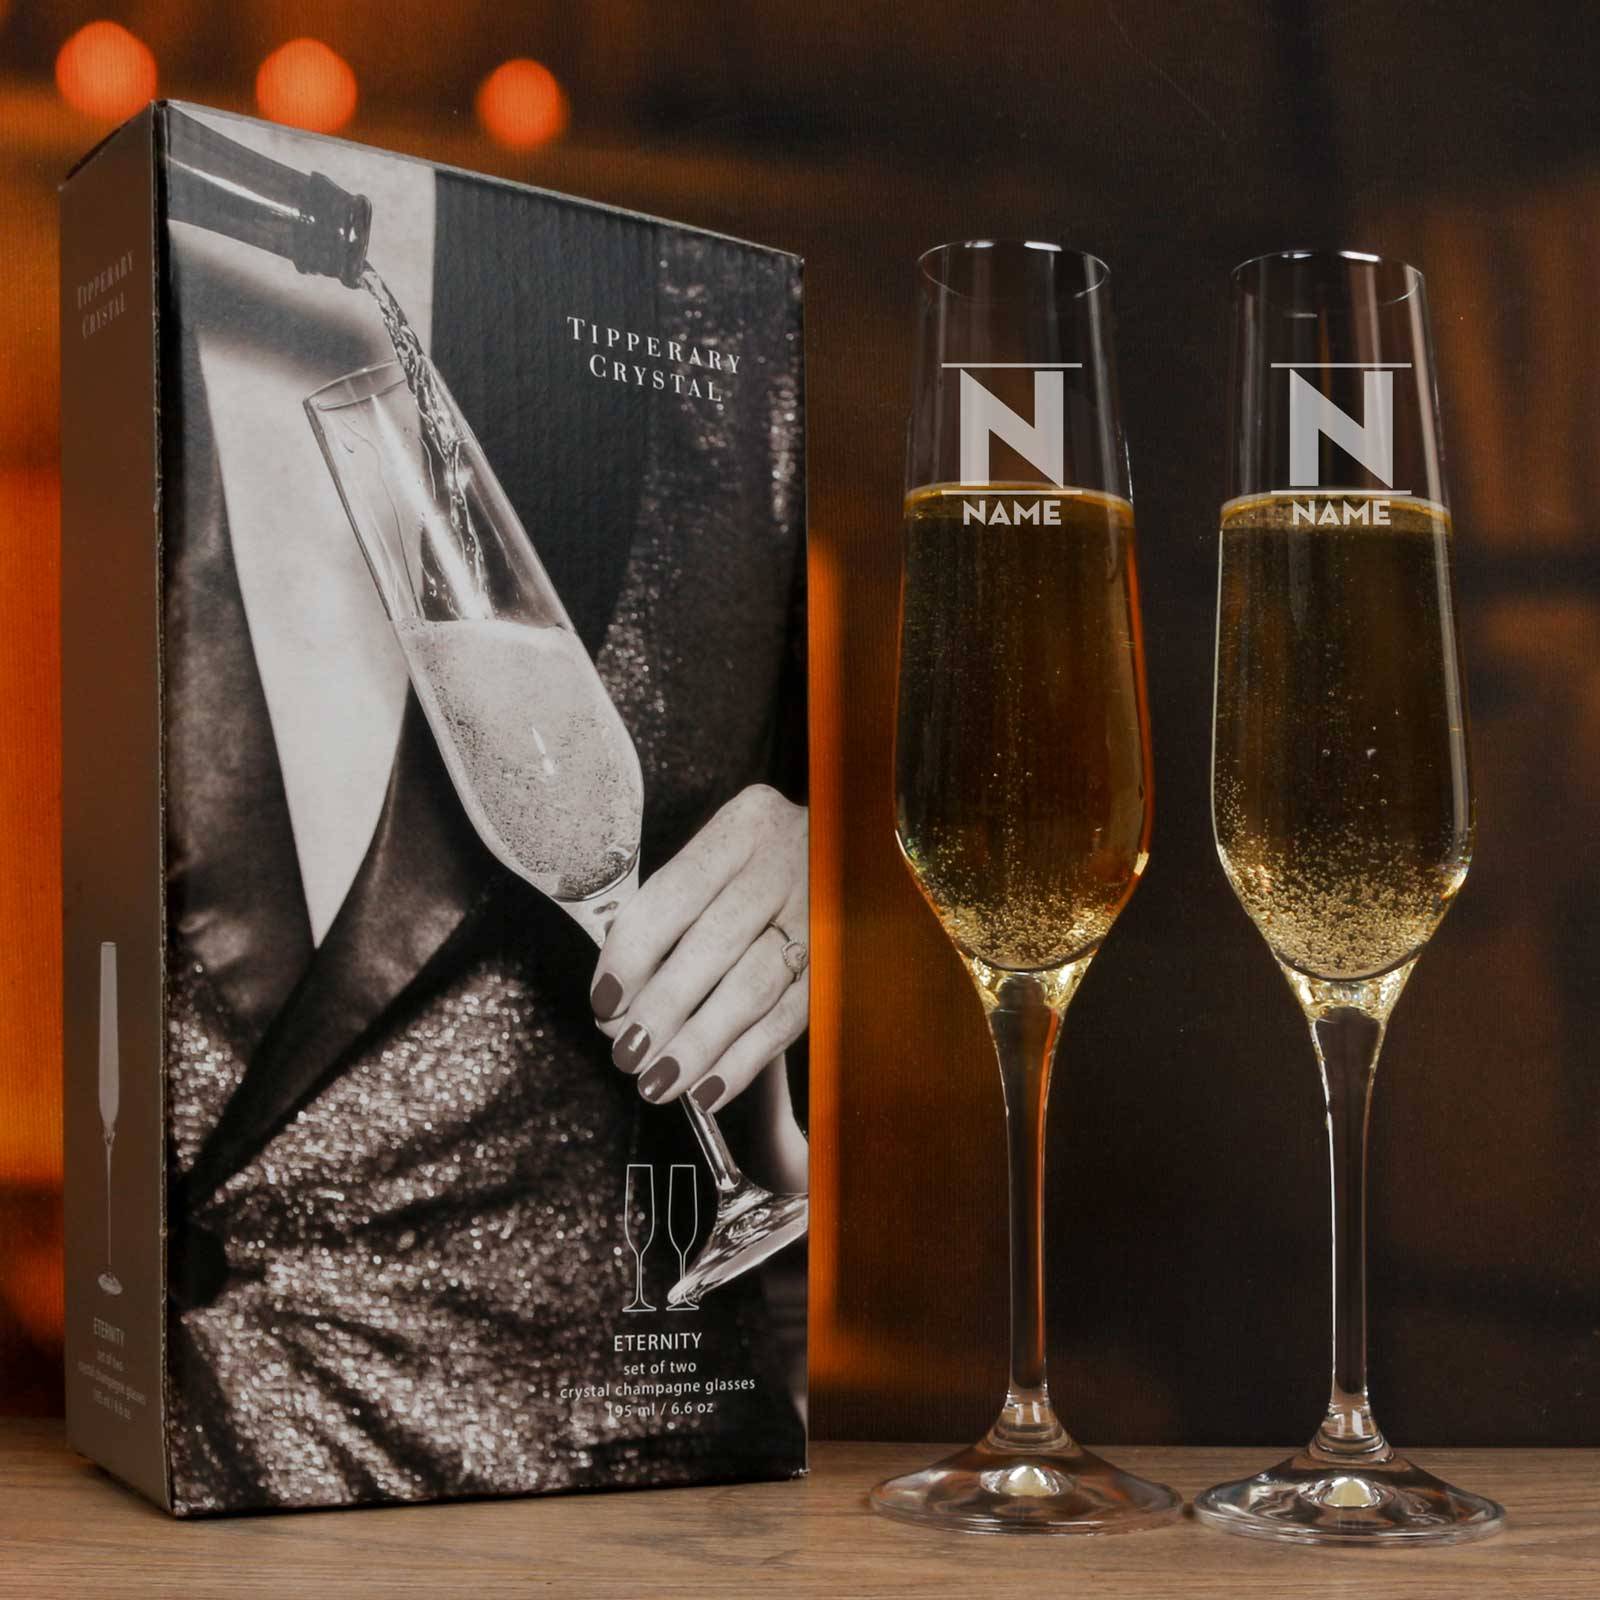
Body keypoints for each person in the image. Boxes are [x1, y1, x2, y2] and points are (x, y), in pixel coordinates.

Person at [161, 112, 807, 1513]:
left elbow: (861, 785)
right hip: (185, 1479)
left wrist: (829, 879)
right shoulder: (115, 304)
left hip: (637, 1489)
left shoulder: (703, 318)